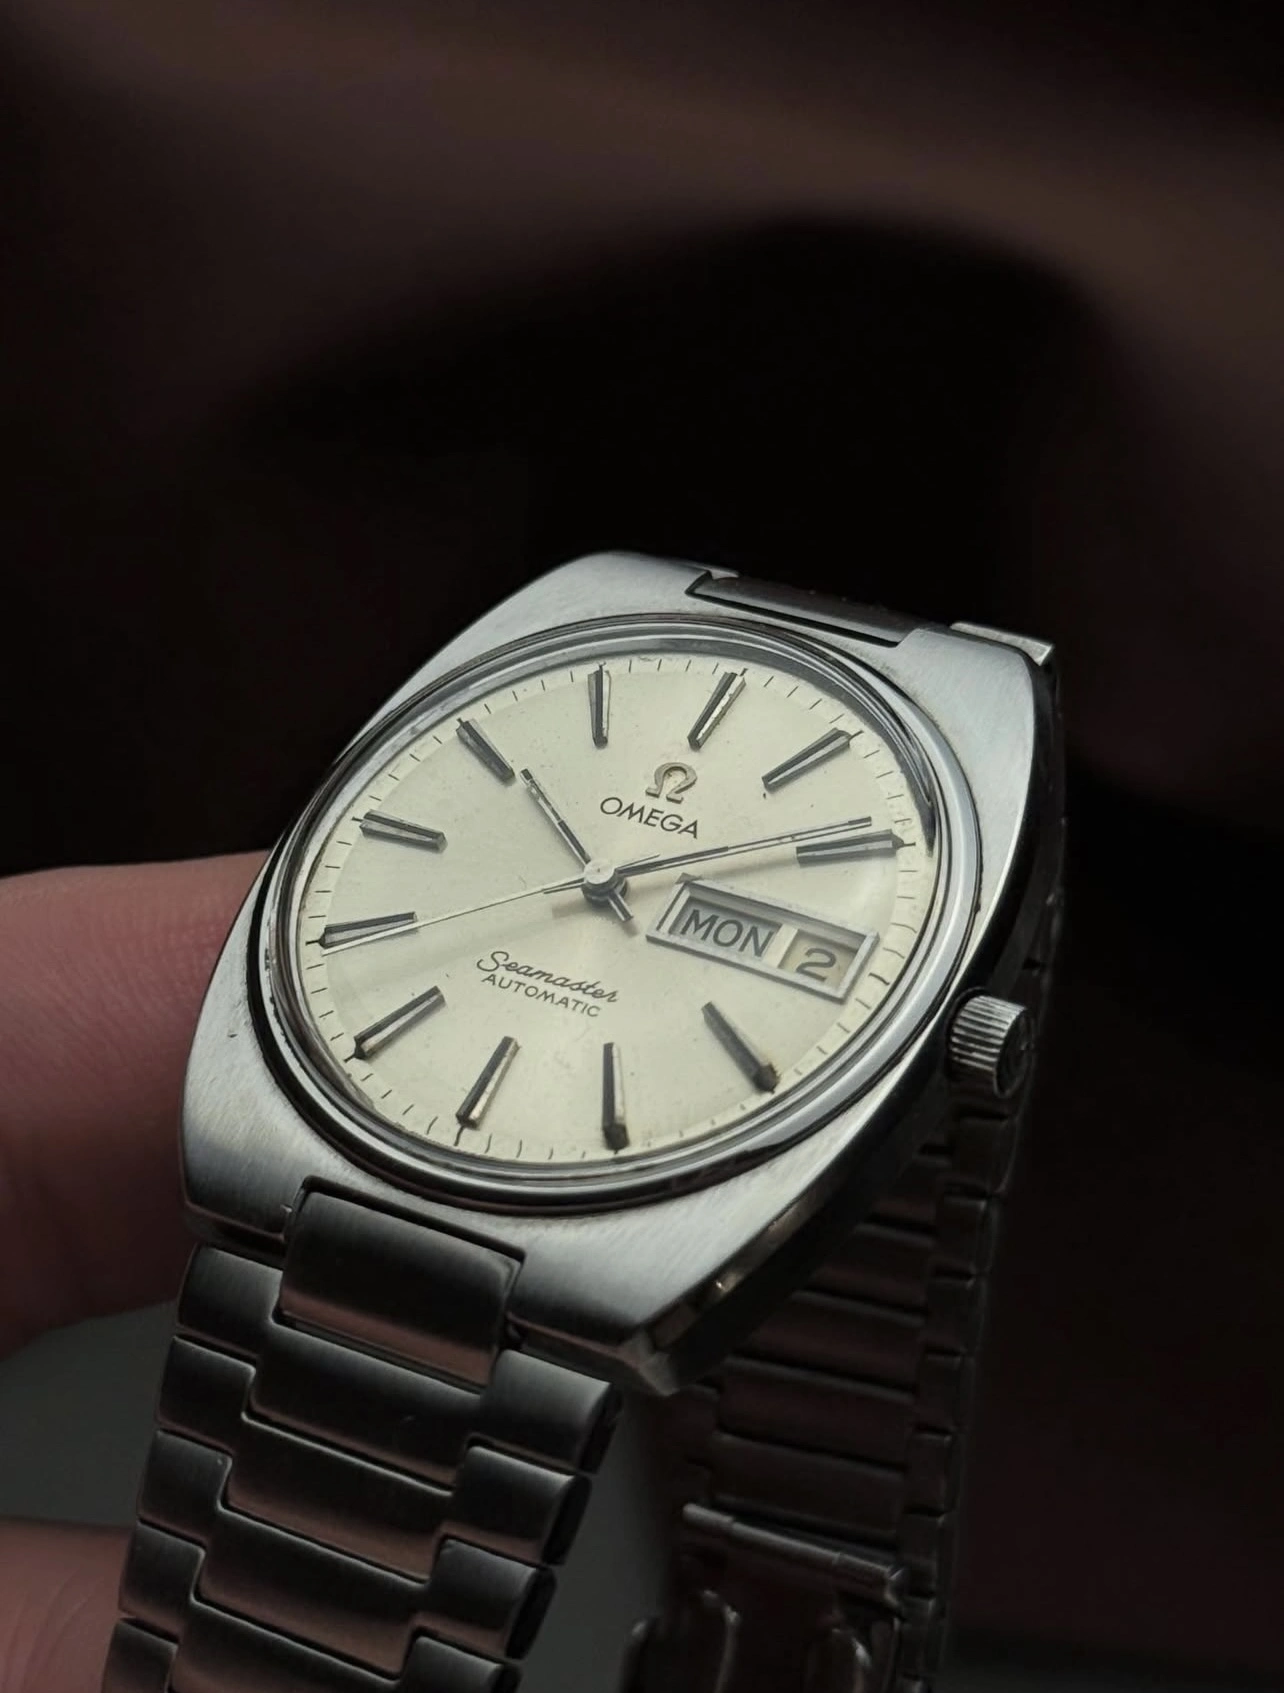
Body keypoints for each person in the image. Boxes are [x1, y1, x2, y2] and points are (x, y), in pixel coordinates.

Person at [1, 3, 1280, 1688]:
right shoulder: (577, 633)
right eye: (605, 868)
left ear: (954, 1034)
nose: (615, 882)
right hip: (379, 1092)